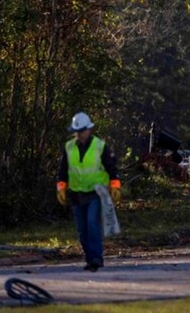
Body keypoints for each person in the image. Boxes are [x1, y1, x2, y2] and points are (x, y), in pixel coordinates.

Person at [56, 111, 121, 272]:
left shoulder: (100, 146)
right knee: (82, 228)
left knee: (92, 222)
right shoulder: (69, 147)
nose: (79, 135)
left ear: (89, 129)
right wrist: (61, 188)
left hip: (95, 192)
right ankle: (89, 257)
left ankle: (96, 258)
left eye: (82, 131)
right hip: (76, 193)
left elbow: (112, 168)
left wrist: (115, 186)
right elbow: (62, 171)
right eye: (76, 132)